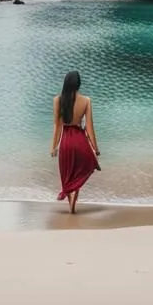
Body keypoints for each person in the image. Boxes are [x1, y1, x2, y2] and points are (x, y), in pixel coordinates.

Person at [50, 70, 100, 214]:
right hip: (80, 141)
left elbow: (57, 126)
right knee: (78, 173)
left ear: (65, 83)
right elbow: (90, 128)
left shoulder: (57, 100)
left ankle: (69, 202)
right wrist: (95, 148)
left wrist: (54, 147)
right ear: (79, 84)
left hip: (66, 142)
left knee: (67, 175)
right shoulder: (86, 101)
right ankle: (73, 203)